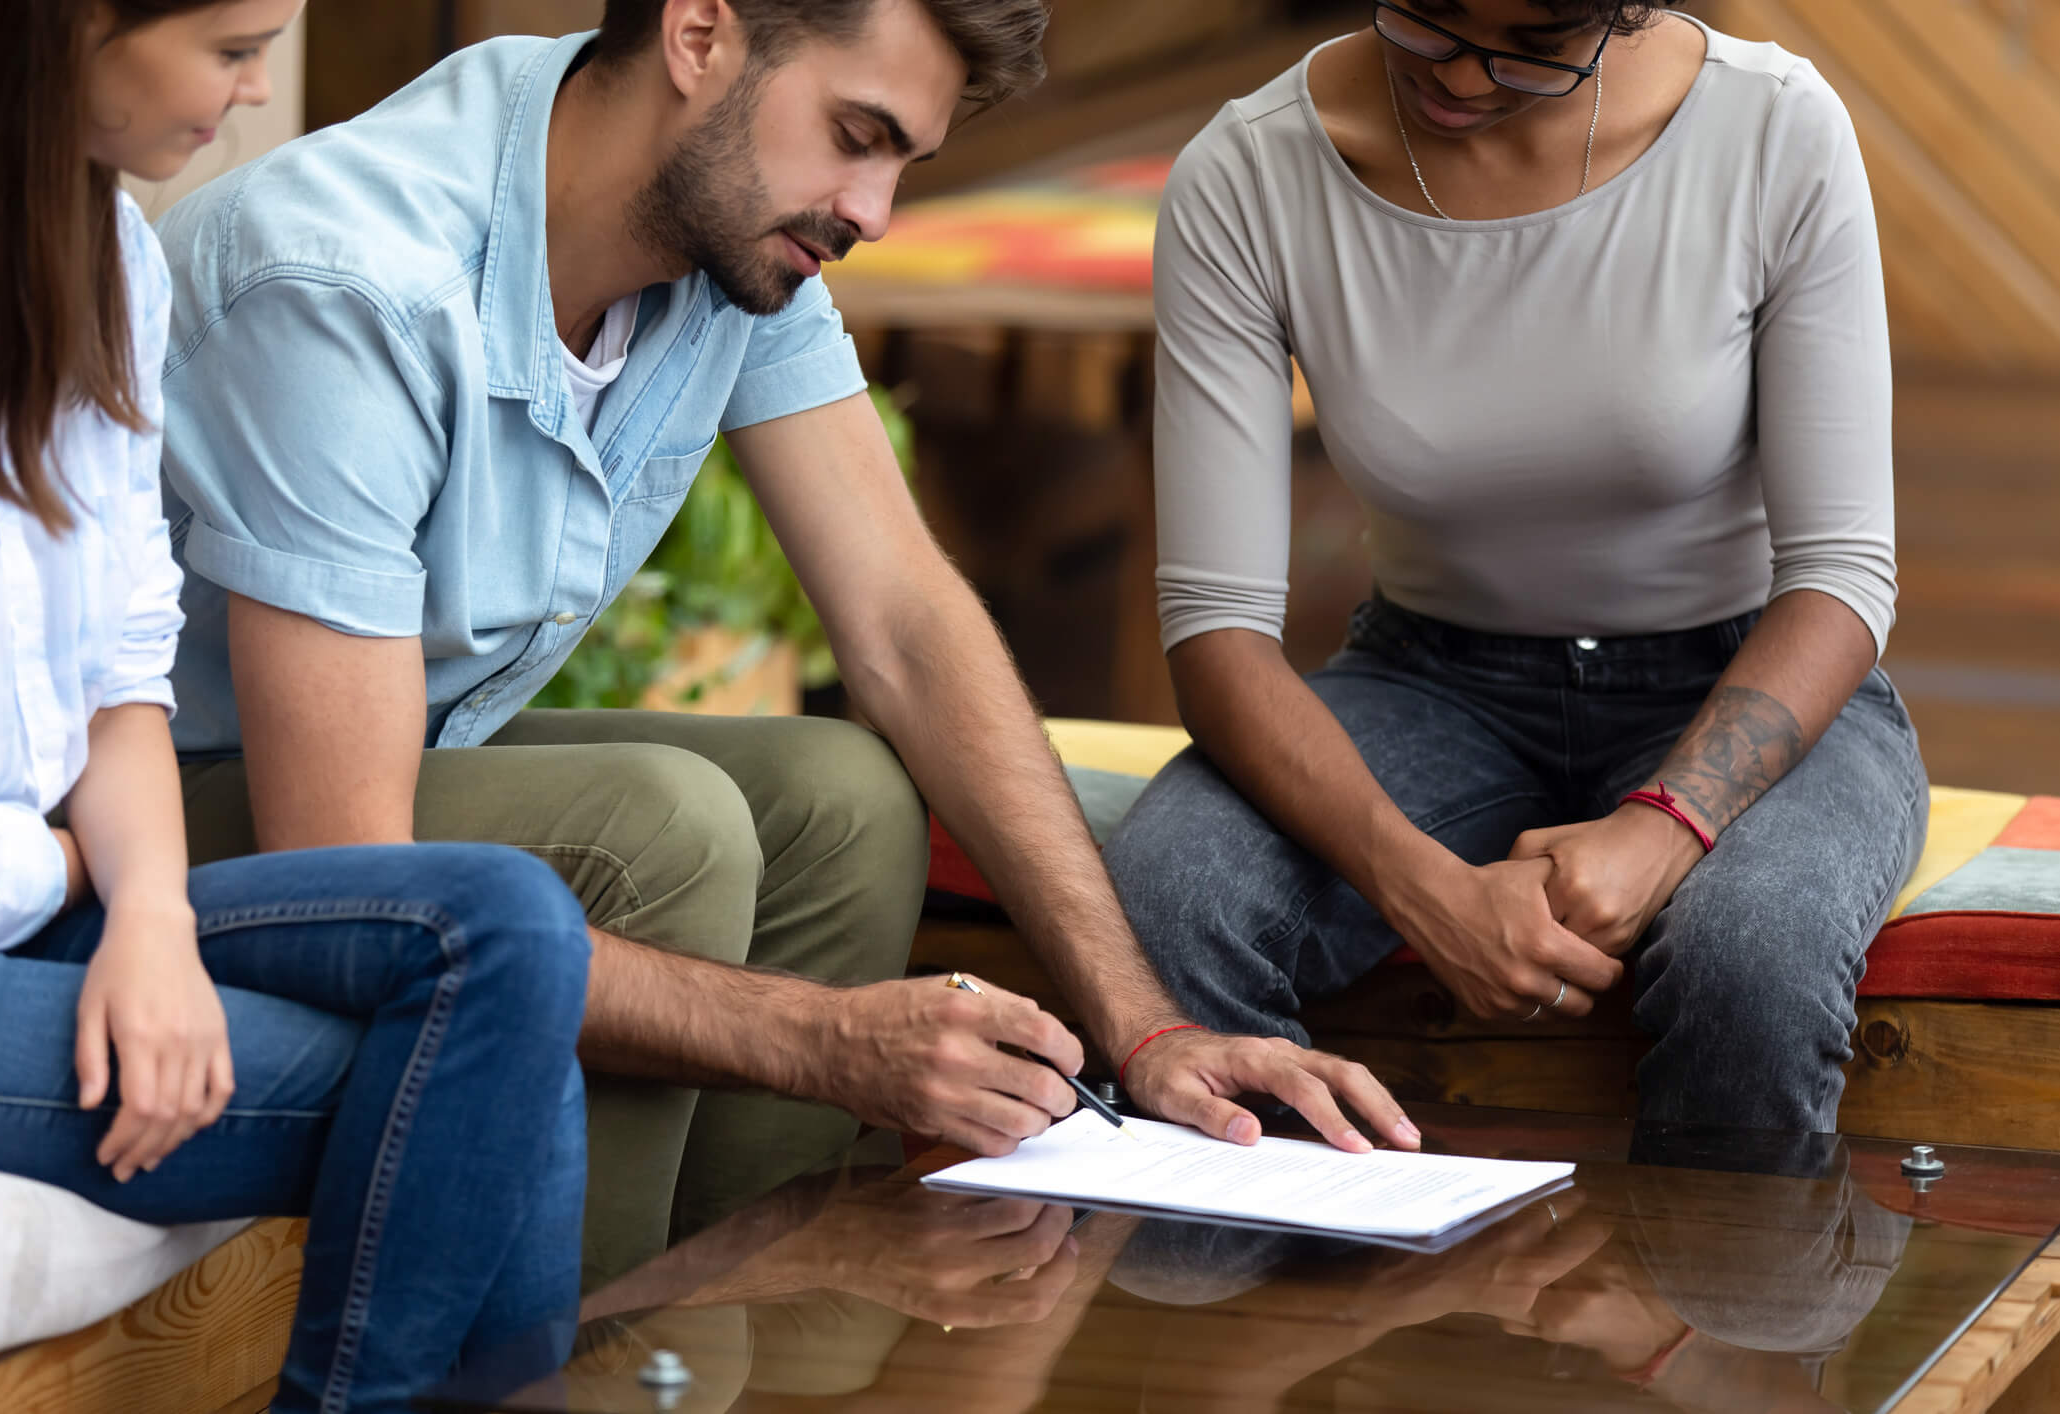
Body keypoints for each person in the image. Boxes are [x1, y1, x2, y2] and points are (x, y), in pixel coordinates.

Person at [146, 0, 1423, 1286]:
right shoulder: (350, 276)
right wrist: (823, 1041)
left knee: (844, 796)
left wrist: (1145, 1028)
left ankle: (744, 1336)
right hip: (147, 833)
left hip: (380, 762)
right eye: (856, 136)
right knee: (657, 824)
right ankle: (579, 1367)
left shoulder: (723, 236)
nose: (872, 211)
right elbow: (341, 854)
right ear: (699, 35)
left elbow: (907, 625)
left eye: (901, 164)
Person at [1104, 0, 1927, 1132]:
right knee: (1166, 897)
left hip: (1745, 671)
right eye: (1427, 18)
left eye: (1533, 51)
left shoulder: (1773, 129)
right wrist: (1421, 888)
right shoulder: (1250, 172)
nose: (1464, 80)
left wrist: (1664, 825)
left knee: (1755, 953)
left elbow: (1841, 573)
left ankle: (1711, 1307)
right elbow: (1216, 630)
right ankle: (1313, 1276)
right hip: (1429, 678)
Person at [0, 4, 593, 1409]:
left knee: (512, 929)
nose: (251, 96)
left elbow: (123, 665)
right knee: (514, 1077)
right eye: (232, 45)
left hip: (27, 903)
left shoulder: (98, 255)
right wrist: (83, 880)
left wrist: (155, 925)